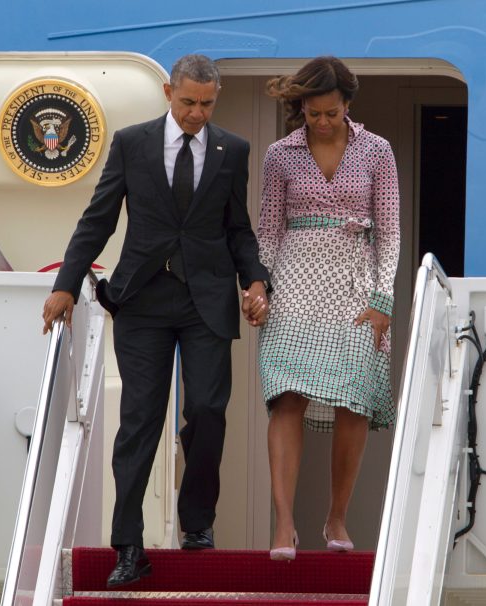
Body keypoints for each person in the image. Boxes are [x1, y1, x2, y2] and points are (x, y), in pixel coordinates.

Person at [42, 54, 270, 587]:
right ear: (169, 92)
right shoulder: (132, 142)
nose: (197, 113)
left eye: (207, 104)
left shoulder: (231, 149)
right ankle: (129, 546)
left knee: (209, 411)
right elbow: (97, 218)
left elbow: (238, 228)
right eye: (188, 101)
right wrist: (65, 286)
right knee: (140, 419)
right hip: (142, 300)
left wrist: (255, 280)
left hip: (206, 301)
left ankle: (197, 523)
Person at [257, 56, 400, 560]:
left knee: (353, 400)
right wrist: (260, 288)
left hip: (356, 287)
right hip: (293, 284)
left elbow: (390, 232)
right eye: (313, 113)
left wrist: (383, 301)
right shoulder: (280, 155)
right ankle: (283, 524)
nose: (321, 121)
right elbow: (269, 231)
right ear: (302, 108)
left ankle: (336, 517)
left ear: (348, 106)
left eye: (331, 113)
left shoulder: (378, 151)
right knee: (287, 396)